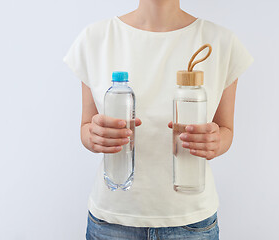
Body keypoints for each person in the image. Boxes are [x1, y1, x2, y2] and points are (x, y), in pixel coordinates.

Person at [63, 0, 253, 239]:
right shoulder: (97, 39)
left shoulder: (220, 42)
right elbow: (86, 127)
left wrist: (215, 141)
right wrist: (94, 136)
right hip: (113, 219)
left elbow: (226, 130)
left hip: (191, 222)